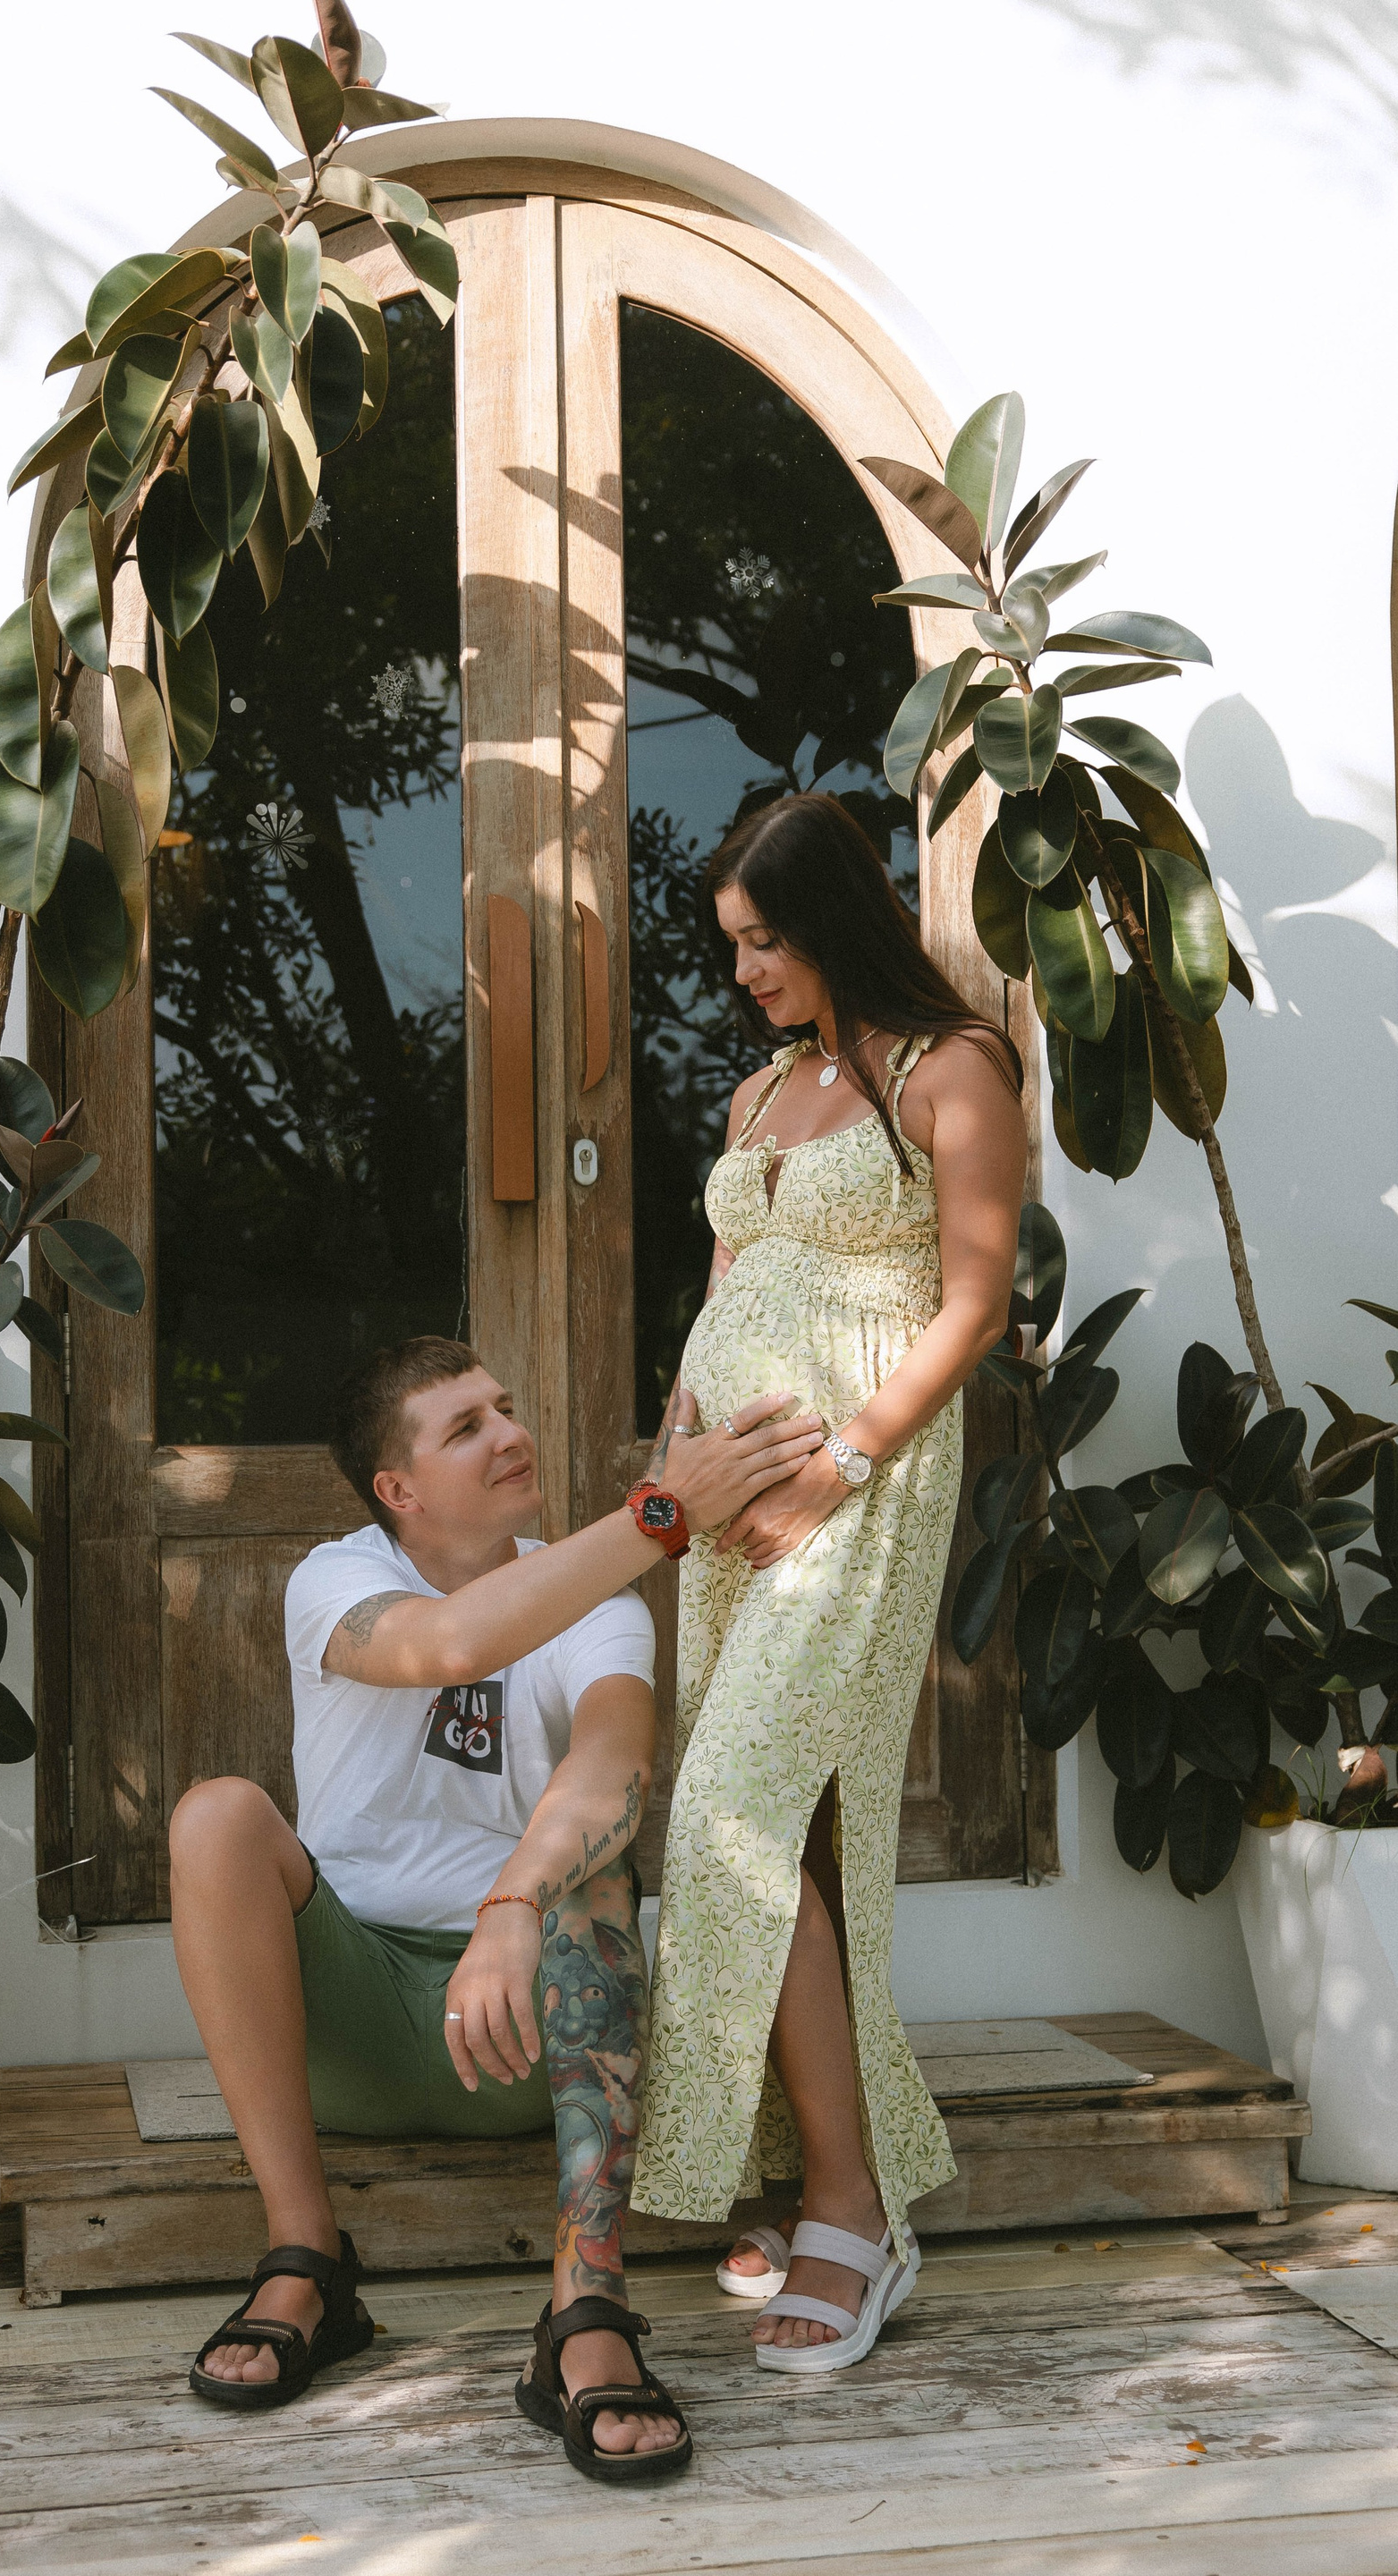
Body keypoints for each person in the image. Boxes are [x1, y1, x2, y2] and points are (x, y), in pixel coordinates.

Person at [167, 1334, 824, 2479]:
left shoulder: (600, 1600)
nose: (511, 1434)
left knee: (597, 1864)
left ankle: (587, 2309)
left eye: (505, 1408)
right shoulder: (336, 1580)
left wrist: (514, 1902)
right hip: (356, 2020)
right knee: (216, 1816)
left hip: (540, 2025)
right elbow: (450, 1642)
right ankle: (305, 2257)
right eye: (466, 1426)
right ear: (399, 1491)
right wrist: (665, 1513)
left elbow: (614, 1768)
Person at [629, 792, 1027, 2375]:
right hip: (731, 1493)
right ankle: (809, 2165)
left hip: (860, 1482)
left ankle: (854, 2210)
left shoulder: (953, 1068)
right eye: (732, 946)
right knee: (781, 1828)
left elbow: (975, 1302)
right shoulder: (759, 1097)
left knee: (735, 1805)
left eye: (765, 941)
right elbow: (724, 1296)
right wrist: (676, 1469)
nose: (744, 973)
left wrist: (839, 1469)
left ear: (836, 922)